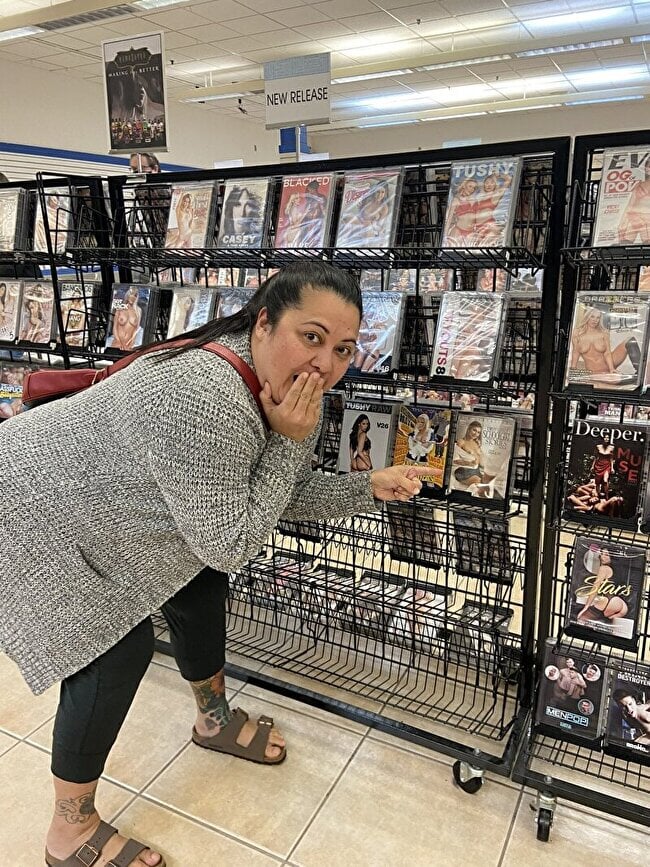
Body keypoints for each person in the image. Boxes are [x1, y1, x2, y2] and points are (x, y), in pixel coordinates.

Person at [0, 262, 427, 867]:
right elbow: (232, 541)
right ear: (264, 323)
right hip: (30, 506)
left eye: (342, 349)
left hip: (102, 507)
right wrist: (289, 440)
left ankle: (213, 720)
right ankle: (69, 831)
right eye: (311, 336)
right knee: (114, 648)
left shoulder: (288, 392)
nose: (325, 363)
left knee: (198, 582)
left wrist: (367, 487)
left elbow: (271, 494)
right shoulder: (208, 394)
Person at [569, 306, 640, 384]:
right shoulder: (577, 333)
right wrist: (573, 371)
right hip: (595, 371)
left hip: (610, 362)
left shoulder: (603, 332)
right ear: (587, 317)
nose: (595, 320)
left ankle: (640, 371)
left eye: (598, 317)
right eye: (592, 316)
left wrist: (611, 369)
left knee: (630, 340)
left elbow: (607, 353)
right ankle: (637, 378)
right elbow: (575, 352)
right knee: (616, 379)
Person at [575, 546, 630, 625]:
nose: (603, 557)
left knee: (581, 619)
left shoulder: (604, 569)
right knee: (604, 627)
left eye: (606, 555)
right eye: (602, 554)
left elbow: (595, 588)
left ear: (612, 557)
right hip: (621, 604)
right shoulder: (616, 570)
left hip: (608, 602)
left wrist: (586, 607)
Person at [451, 420, 495, 497]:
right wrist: (469, 463)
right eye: (474, 430)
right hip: (463, 470)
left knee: (491, 482)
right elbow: (454, 460)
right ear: (468, 429)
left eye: (478, 432)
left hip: (476, 470)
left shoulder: (476, 443)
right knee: (479, 482)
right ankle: (466, 498)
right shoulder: (461, 442)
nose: (476, 434)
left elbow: (480, 461)